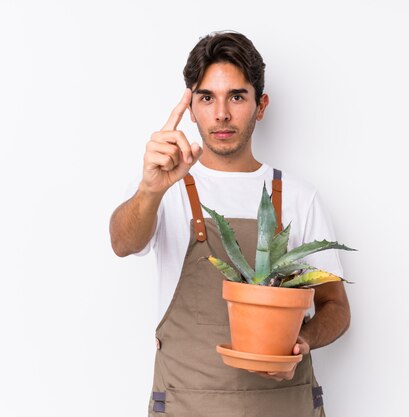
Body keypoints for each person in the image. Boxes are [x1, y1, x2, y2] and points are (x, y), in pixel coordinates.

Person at [109, 31, 351, 416]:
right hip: (187, 403)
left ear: (260, 105)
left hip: (284, 405)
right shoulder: (164, 185)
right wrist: (150, 189)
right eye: (207, 98)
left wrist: (303, 339)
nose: (221, 113)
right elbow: (123, 242)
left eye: (236, 96)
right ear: (191, 107)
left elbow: (336, 306)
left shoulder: (299, 197)